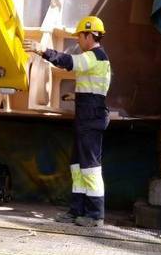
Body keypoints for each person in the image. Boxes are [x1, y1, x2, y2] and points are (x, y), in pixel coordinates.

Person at [24, 15, 111, 227]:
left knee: (90, 168)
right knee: (78, 166)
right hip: (87, 116)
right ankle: (77, 211)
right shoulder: (96, 58)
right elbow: (94, 88)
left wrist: (41, 50)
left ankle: (94, 215)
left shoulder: (94, 56)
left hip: (91, 118)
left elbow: (69, 62)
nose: (78, 41)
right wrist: (77, 96)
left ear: (89, 35)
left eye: (79, 37)